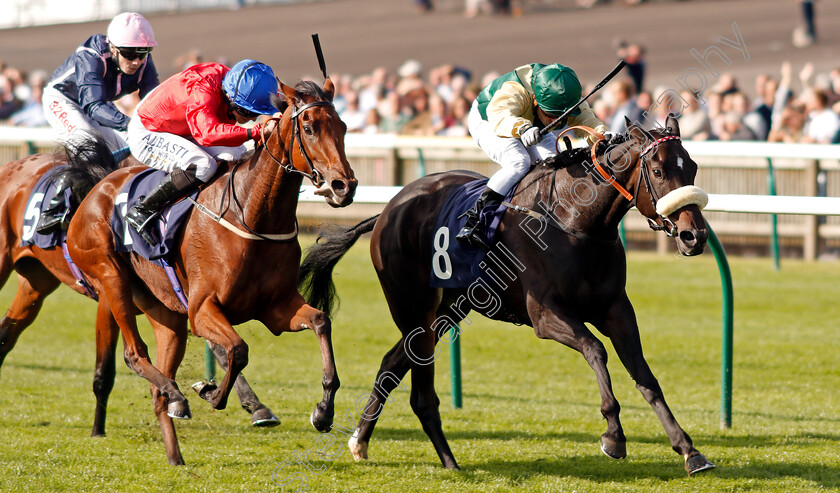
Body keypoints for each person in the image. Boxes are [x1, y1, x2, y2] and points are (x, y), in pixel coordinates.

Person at [457, 62, 609, 250]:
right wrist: (523, 128)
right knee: (519, 162)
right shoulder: (516, 90)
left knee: (556, 166)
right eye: (551, 115)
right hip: (489, 119)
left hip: (530, 122)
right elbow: (499, 116)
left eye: (561, 118)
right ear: (536, 100)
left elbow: (588, 121)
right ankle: (476, 219)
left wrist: (603, 134)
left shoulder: (567, 96)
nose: (557, 122)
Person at [123, 59, 277, 244]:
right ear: (231, 99)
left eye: (257, 114)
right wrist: (256, 131)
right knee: (203, 166)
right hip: (149, 130)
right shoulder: (203, 89)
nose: (253, 118)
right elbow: (207, 133)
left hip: (183, 127)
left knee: (238, 153)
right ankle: (143, 209)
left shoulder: (239, 84)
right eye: (249, 113)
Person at [38, 12, 159, 233]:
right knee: (87, 143)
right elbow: (92, 106)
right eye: (130, 54)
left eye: (143, 53)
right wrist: (132, 124)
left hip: (98, 104)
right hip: (64, 100)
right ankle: (53, 210)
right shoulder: (91, 54)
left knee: (130, 146)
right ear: (112, 47)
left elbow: (155, 101)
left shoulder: (143, 62)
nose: (137, 61)